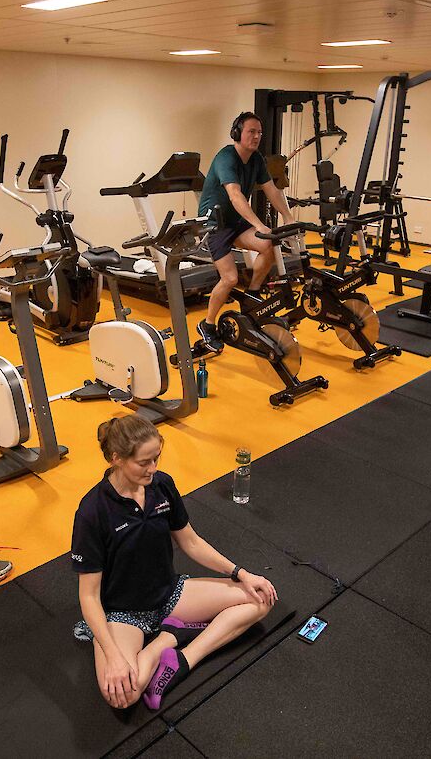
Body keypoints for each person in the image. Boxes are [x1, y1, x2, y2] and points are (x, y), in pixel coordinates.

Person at [72, 414, 278, 710]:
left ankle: (184, 658)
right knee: (123, 696)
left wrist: (241, 573)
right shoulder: (93, 511)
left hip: (169, 594)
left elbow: (191, 542)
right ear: (116, 458)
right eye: (144, 462)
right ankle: (168, 639)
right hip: (122, 613)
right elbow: (88, 595)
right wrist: (113, 655)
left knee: (262, 599)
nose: (152, 468)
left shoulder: (162, 485)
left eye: (156, 458)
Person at [196, 111, 296, 351]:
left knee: (267, 245)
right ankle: (207, 325)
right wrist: (259, 224)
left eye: (259, 132)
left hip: (236, 221)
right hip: (215, 223)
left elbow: (271, 189)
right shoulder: (225, 158)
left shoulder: (256, 159)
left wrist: (288, 216)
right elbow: (235, 195)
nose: (256, 136)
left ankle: (251, 297)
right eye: (251, 131)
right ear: (237, 133)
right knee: (229, 278)